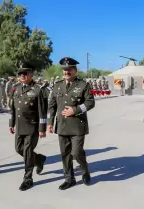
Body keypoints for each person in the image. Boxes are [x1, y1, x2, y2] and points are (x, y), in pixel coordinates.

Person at [47, 57, 95, 190]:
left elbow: (90, 103)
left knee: (76, 152)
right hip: (62, 125)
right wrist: (50, 122)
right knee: (65, 154)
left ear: (75, 70)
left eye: (69, 70)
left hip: (77, 126)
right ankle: (69, 179)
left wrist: (76, 110)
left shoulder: (83, 85)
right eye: (64, 70)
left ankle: (85, 171)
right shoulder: (57, 85)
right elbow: (51, 106)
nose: (66, 72)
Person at [9, 61, 48, 191]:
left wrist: (42, 128)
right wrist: (11, 123)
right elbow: (13, 108)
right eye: (20, 73)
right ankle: (39, 159)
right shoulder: (16, 88)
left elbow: (42, 111)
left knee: (27, 151)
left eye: (25, 73)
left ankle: (28, 178)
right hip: (20, 126)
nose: (22, 75)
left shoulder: (38, 90)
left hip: (32, 127)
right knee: (18, 149)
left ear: (31, 74)